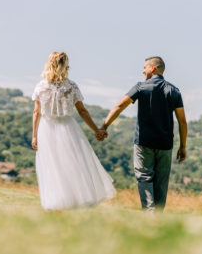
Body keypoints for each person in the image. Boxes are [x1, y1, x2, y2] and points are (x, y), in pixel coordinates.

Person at [101, 56, 187, 212]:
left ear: (153, 68)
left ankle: (149, 213)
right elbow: (182, 121)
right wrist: (183, 146)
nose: (143, 70)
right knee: (161, 182)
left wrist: (105, 125)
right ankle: (158, 217)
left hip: (143, 142)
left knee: (144, 177)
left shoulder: (140, 87)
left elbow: (120, 106)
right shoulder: (174, 91)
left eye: (145, 67)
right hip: (165, 144)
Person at [31, 52, 115, 211]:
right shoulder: (71, 86)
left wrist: (34, 135)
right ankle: (75, 200)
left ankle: (57, 202)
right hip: (67, 127)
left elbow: (36, 112)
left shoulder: (40, 86)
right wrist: (96, 129)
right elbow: (82, 111)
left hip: (46, 128)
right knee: (72, 164)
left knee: (52, 165)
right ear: (64, 66)